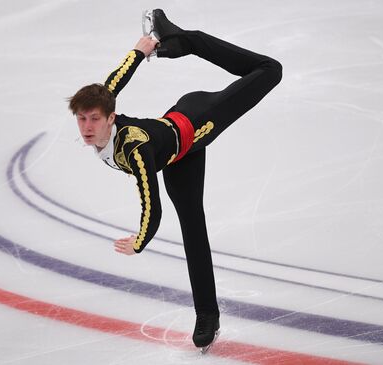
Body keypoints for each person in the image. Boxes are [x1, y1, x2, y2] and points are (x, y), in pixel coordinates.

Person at [68, 9, 282, 350]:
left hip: (199, 121)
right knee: (193, 228)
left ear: (110, 118)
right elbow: (115, 80)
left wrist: (140, 241)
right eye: (81, 119)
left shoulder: (134, 148)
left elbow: (151, 206)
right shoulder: (101, 109)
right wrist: (140, 51)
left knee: (271, 70)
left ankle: (189, 41)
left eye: (94, 119)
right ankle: (207, 315)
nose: (87, 127)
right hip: (178, 155)